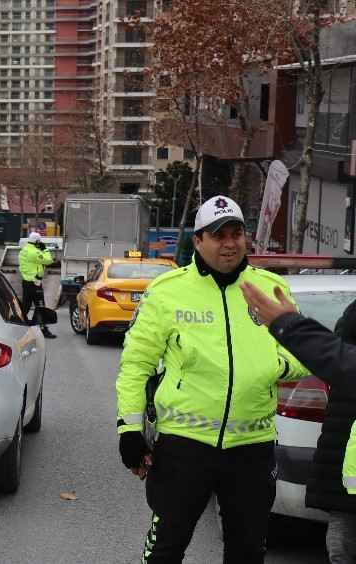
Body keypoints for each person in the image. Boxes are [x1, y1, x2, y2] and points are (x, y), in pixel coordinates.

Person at [115, 195, 310, 563]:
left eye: (236, 233)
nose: (229, 242)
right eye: (218, 235)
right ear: (199, 241)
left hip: (252, 447)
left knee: (247, 551)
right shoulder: (167, 291)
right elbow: (136, 365)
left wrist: (273, 365)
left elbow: (302, 353)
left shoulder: (269, 288)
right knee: (166, 549)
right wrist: (129, 428)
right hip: (184, 447)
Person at [242, 283, 356, 563]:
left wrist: (290, 326)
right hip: (344, 443)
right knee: (343, 537)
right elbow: (340, 358)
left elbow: (339, 359)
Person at [17, 231, 56, 339]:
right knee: (40, 306)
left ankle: (17, 326)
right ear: (37, 241)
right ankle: (43, 329)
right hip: (35, 284)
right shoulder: (35, 252)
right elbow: (49, 260)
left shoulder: (24, 250)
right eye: (40, 241)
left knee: (26, 306)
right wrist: (45, 249)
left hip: (26, 281)